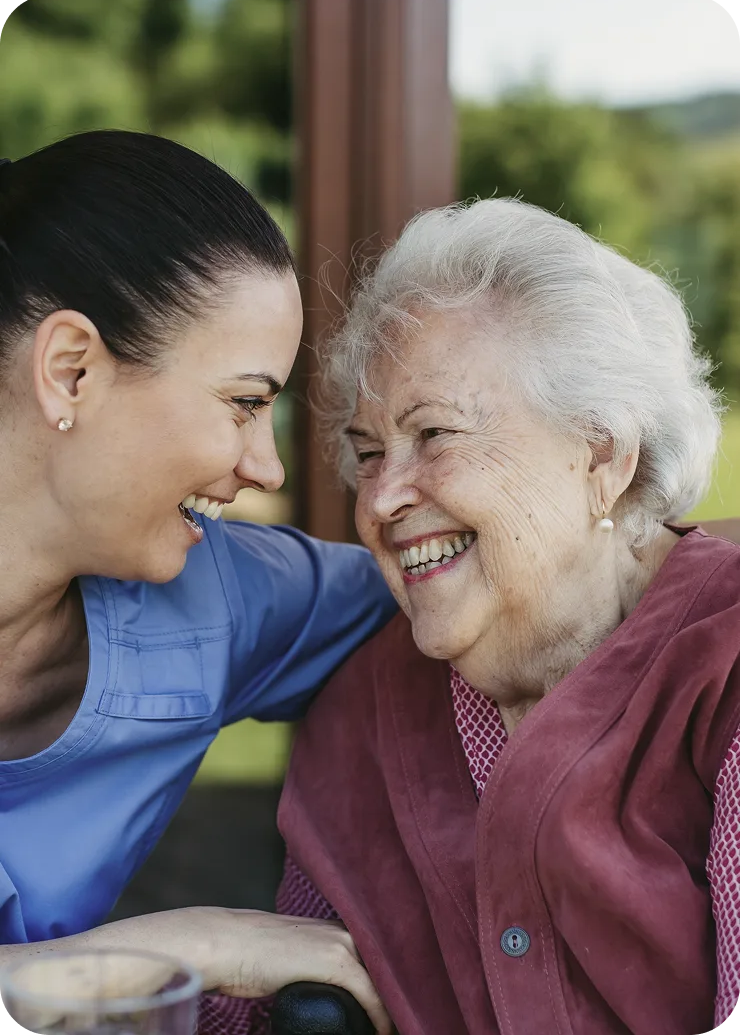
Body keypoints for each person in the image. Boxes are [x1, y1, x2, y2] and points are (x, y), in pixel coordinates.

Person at [204, 197, 740, 1034]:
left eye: (436, 435)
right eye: (370, 452)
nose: (380, 498)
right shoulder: (362, 707)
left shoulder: (726, 667)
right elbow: (293, 1004)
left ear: (602, 455)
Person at [0, 129, 395, 1034]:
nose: (266, 467)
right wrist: (191, 951)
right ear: (72, 371)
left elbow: (489, 587)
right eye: (244, 404)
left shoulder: (216, 599)